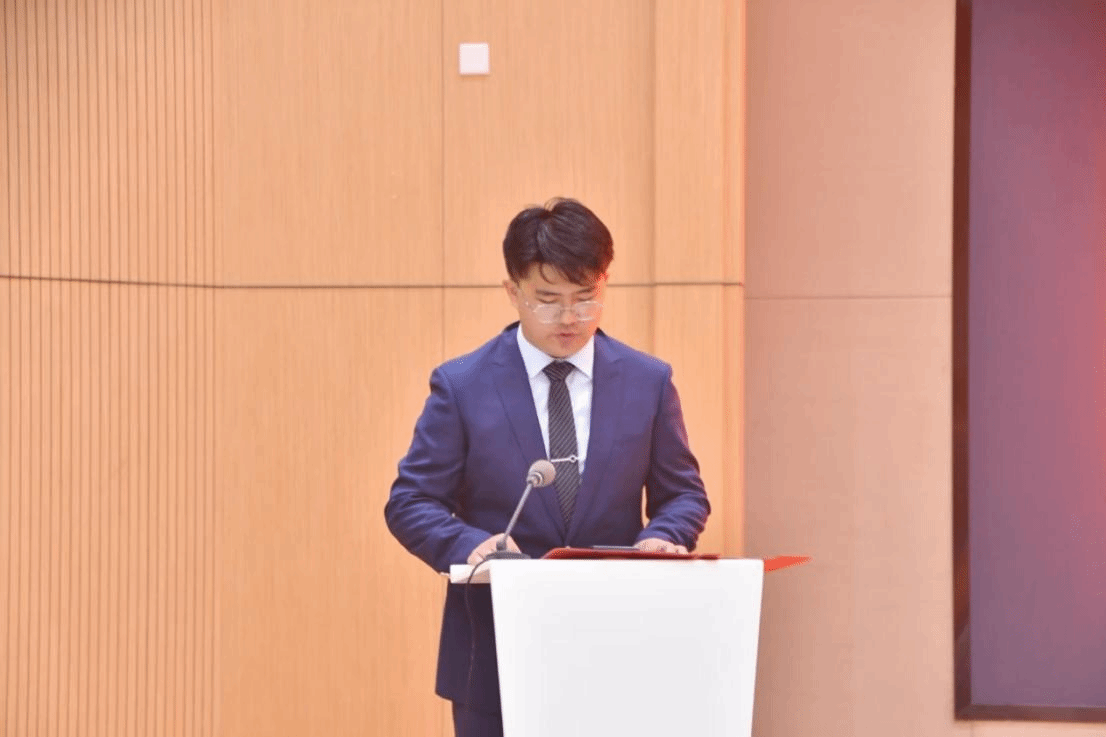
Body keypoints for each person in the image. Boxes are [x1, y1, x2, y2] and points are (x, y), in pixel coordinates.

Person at [384, 197, 711, 737]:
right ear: (512, 290)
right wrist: (470, 544)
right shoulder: (463, 385)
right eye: (548, 300)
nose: (569, 318)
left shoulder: (647, 381)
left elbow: (683, 494)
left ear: (605, 283)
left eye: (586, 298)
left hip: (618, 642)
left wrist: (663, 537)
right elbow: (410, 501)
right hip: (495, 650)